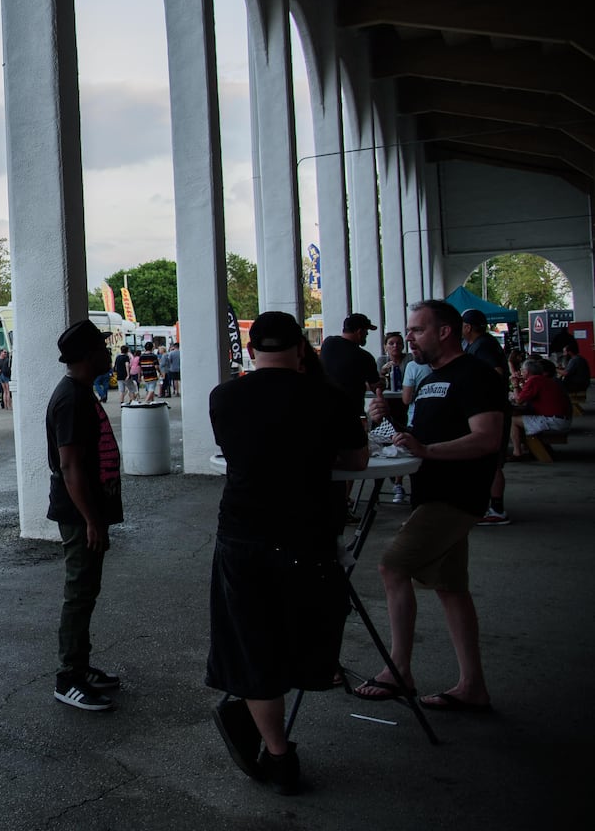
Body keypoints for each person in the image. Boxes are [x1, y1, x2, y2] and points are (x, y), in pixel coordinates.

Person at [207, 312, 368, 794]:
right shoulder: (329, 396)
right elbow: (357, 459)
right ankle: (294, 701)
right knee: (302, 632)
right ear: (302, 348)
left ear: (251, 349)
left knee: (251, 645)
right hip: (308, 536)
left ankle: (279, 754)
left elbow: (236, 451)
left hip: (244, 534)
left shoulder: (225, 397)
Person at [356, 299, 502, 713]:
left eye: (417, 330)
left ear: (445, 332)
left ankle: (398, 670)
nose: (408, 338)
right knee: (451, 588)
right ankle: (472, 685)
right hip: (434, 491)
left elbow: (487, 437)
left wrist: (430, 451)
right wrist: (387, 422)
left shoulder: (474, 376)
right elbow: (416, 436)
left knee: (392, 566)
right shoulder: (432, 379)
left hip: (455, 496)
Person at [46, 319, 124, 713]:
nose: (108, 353)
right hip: (79, 513)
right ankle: (69, 677)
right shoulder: (72, 399)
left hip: (87, 510)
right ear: (88, 355)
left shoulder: (80, 392)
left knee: (86, 590)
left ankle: (80, 664)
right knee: (79, 592)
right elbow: (70, 466)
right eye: (103, 347)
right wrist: (92, 520)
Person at [460, 309, 511, 525]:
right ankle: (486, 505)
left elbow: (497, 371)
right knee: (485, 461)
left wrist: (476, 389)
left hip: (492, 410)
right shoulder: (479, 344)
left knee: (492, 461)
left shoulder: (484, 345)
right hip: (488, 408)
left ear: (468, 327)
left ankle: (497, 510)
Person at [509, 359, 572, 458]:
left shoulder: (534, 380)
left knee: (513, 420)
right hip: (561, 419)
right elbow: (524, 397)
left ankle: (517, 452)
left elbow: (518, 400)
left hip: (554, 421)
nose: (521, 372)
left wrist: (515, 385)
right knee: (523, 417)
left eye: (522, 370)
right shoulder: (541, 380)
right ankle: (528, 448)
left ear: (527, 371)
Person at [319, 313, 383, 406]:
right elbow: (376, 389)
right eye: (366, 331)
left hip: (324, 407)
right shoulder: (365, 357)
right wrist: (383, 381)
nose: (367, 334)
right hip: (350, 412)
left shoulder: (328, 343)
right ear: (360, 332)